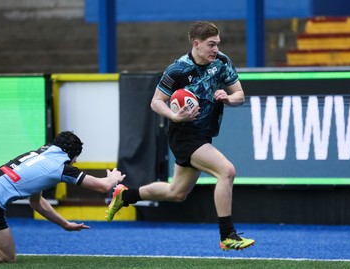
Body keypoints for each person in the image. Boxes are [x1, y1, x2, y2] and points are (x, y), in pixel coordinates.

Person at [106, 21, 254, 251]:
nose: (216, 49)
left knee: (177, 192)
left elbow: (240, 95)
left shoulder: (222, 62)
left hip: (203, 135)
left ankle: (124, 196)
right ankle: (227, 235)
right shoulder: (177, 70)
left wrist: (228, 98)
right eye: (211, 44)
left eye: (217, 44)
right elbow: (156, 101)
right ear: (196, 44)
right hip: (184, 135)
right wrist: (174, 117)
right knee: (227, 171)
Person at [0, 131, 125, 262]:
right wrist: (114, 178)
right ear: (71, 155)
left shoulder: (42, 153)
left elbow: (36, 202)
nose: (76, 161)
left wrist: (65, 224)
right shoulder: (60, 168)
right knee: (6, 257)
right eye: (76, 157)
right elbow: (103, 186)